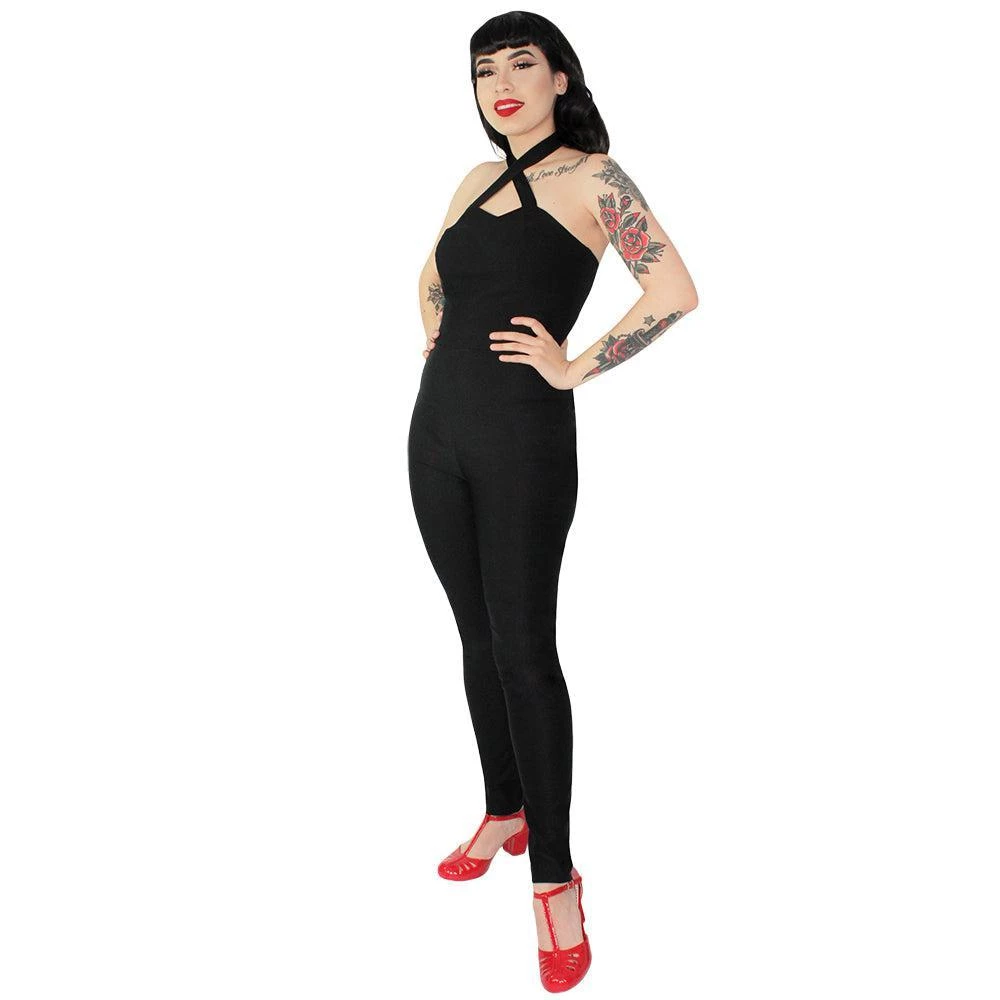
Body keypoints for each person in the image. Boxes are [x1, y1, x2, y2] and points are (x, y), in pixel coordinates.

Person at [407, 11, 699, 992]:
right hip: (434, 436)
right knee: (474, 638)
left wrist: (573, 365)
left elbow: (673, 289)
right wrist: (437, 335)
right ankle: (504, 809)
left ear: (560, 78)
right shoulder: (471, 179)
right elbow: (429, 279)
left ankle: (555, 881)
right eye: (483, 69)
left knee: (525, 651)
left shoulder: (594, 179)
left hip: (523, 443)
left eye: (520, 64)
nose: (500, 83)